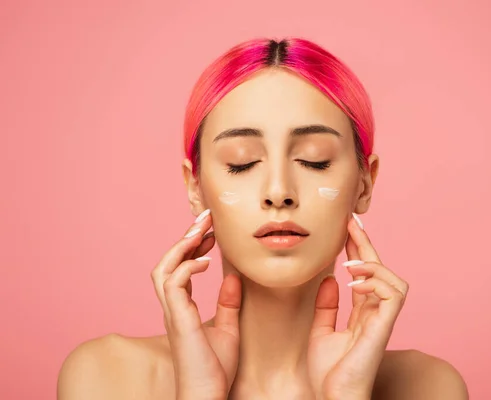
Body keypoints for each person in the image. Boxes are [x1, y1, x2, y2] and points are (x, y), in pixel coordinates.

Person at [57, 37, 468, 399]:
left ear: (365, 183)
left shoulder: (429, 388)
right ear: (194, 186)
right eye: (241, 163)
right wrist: (200, 393)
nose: (278, 192)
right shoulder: (107, 378)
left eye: (315, 160)